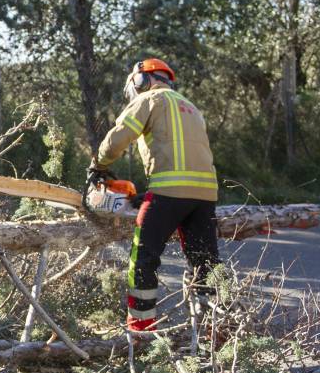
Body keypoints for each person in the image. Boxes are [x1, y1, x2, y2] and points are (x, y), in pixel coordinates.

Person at [87, 58, 220, 333]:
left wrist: (98, 165)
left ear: (141, 79)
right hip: (205, 195)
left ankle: (141, 330)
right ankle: (216, 330)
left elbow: (119, 137)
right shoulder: (191, 107)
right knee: (205, 262)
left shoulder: (149, 99)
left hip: (168, 192)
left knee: (143, 259)